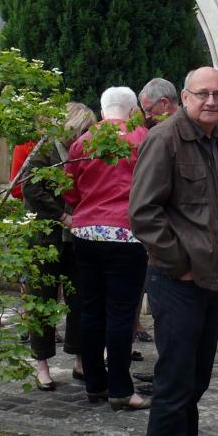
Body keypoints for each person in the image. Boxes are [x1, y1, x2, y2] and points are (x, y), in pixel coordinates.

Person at [129, 67, 218, 436]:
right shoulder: (166, 139)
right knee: (176, 379)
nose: (211, 101)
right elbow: (143, 212)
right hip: (179, 280)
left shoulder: (214, 139)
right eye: (203, 94)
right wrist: (178, 263)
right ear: (184, 96)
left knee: (195, 378)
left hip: (211, 278)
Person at [64, 87, 150, 411]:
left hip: (86, 233)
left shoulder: (83, 142)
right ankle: (121, 389)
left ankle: (95, 385)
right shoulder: (142, 139)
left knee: (91, 310)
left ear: (102, 112)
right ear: (131, 112)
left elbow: (69, 190)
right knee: (120, 314)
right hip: (127, 235)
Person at [15, 102, 96, 389]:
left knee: (79, 300)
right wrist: (62, 215)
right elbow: (31, 188)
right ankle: (42, 365)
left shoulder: (80, 152)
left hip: (74, 239)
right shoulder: (43, 151)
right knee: (41, 301)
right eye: (83, 128)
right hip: (44, 238)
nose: (86, 134)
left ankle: (79, 360)